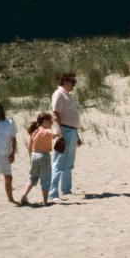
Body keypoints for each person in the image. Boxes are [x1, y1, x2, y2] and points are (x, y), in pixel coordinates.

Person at [50, 72, 82, 201]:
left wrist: (77, 135)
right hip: (64, 131)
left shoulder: (68, 95)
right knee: (59, 163)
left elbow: (71, 115)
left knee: (69, 163)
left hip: (72, 131)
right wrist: (60, 134)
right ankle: (52, 193)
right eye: (72, 82)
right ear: (65, 82)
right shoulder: (59, 94)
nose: (74, 85)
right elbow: (55, 114)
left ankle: (66, 190)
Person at [20, 112, 58, 205]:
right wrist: (57, 123)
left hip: (34, 155)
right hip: (44, 156)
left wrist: (31, 159)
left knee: (32, 178)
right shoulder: (46, 131)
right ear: (44, 121)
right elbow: (58, 134)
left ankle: (24, 195)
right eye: (50, 122)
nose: (51, 124)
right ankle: (45, 201)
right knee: (46, 179)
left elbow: (30, 147)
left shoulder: (35, 131)